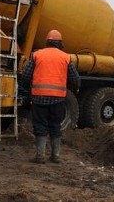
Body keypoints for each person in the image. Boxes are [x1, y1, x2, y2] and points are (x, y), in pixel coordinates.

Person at [21, 29, 81, 164]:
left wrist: (27, 88)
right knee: (55, 125)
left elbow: (25, 75)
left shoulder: (37, 55)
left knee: (40, 125)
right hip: (58, 99)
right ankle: (55, 156)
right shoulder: (65, 57)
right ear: (60, 43)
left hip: (39, 97)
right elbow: (75, 78)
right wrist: (75, 88)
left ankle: (40, 156)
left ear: (47, 42)